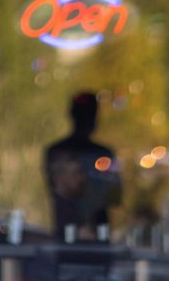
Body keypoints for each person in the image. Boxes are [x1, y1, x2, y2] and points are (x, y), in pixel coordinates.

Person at [44, 92, 122, 241]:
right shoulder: (103, 154)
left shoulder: (55, 152)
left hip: (66, 236)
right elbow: (115, 194)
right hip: (96, 237)